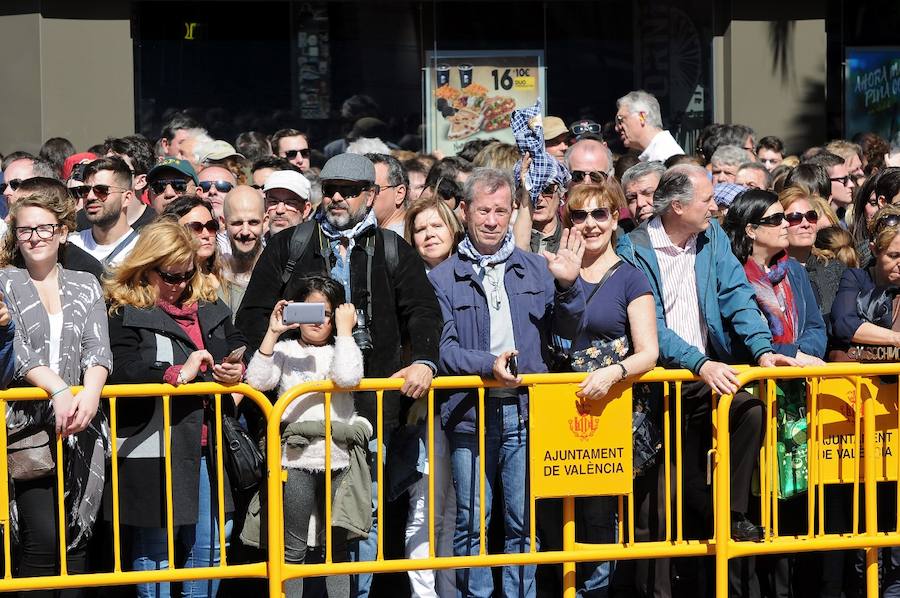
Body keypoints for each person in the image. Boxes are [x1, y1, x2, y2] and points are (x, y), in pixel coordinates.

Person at [235, 152, 442, 598]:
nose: (337, 198)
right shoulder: (289, 245)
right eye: (329, 189)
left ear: (371, 195)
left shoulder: (391, 248)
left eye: (349, 191)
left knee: (354, 525)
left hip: (367, 415)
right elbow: (253, 316)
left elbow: (423, 310)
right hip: (298, 416)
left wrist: (424, 360)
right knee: (295, 534)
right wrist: (272, 347)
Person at [617, 164, 798, 597]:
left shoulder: (712, 237)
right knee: (662, 503)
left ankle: (730, 514)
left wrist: (761, 350)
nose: (715, 207)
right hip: (657, 383)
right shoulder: (634, 248)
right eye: (706, 200)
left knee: (750, 410)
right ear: (677, 207)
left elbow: (736, 295)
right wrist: (699, 363)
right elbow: (653, 327)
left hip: (703, 376)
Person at [428, 167, 586, 598]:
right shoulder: (441, 278)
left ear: (512, 211)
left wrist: (570, 288)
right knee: (472, 522)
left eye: (501, 211)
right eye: (483, 211)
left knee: (522, 522)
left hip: (526, 411)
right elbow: (444, 350)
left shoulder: (537, 268)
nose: (493, 221)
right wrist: (487, 365)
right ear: (465, 211)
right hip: (469, 413)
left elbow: (568, 332)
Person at [105, 219, 245, 598]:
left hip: (209, 443)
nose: (180, 284)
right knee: (156, 551)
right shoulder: (122, 310)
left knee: (211, 549)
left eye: (187, 274)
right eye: (170, 276)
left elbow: (234, 343)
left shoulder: (211, 305)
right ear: (144, 268)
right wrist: (173, 374)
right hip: (153, 443)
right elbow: (119, 369)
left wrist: (234, 368)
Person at [0, 189, 110, 594]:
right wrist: (59, 388)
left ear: (63, 232)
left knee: (76, 539)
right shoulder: (4, 282)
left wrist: (91, 393)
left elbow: (98, 348)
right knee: (43, 541)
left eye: (44, 227)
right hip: (23, 429)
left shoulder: (85, 283)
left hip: (82, 425)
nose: (35, 237)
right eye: (25, 229)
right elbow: (16, 350)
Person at [561, 183, 659, 598]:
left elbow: (649, 353)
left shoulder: (631, 278)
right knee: (558, 515)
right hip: (558, 410)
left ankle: (595, 593)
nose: (590, 224)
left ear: (616, 217)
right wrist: (564, 284)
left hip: (609, 410)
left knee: (599, 514)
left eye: (600, 214)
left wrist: (612, 373)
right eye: (580, 216)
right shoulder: (557, 272)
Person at [245, 275, 369, 598]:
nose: (318, 321)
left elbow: (348, 375)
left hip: (338, 459)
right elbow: (257, 380)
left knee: (336, 548)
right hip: (296, 459)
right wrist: (273, 332)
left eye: (327, 313)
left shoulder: (345, 347)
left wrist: (345, 331)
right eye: (310, 311)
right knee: (293, 547)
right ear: (296, 312)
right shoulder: (285, 350)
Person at [401, 195, 464, 597]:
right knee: (424, 508)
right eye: (420, 229)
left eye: (436, 226)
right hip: (422, 413)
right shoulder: (406, 282)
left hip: (465, 408)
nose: (428, 235)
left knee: (459, 510)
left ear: (453, 230)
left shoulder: (469, 273)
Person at [779, 186, 849, 323]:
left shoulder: (835, 268)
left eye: (811, 216)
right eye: (795, 218)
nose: (806, 224)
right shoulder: (772, 273)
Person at [68, 157, 140, 267]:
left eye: (101, 190)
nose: (90, 197)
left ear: (126, 198)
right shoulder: (70, 245)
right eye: (85, 190)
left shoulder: (141, 251)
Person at [221, 185, 267, 316]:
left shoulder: (278, 273)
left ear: (265, 222)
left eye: (253, 222)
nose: (245, 232)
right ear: (223, 223)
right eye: (237, 223)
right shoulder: (211, 275)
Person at [614, 91, 684, 162]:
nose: (617, 128)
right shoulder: (655, 154)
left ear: (642, 117)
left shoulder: (665, 157)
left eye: (620, 119)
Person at [366, 153, 409, 235]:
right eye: (357, 189)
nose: (362, 197)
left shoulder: (406, 239)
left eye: (373, 190)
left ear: (399, 193)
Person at [263, 170, 313, 237]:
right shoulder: (253, 244)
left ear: (306, 209)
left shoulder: (318, 245)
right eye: (273, 202)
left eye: (290, 203)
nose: (279, 210)